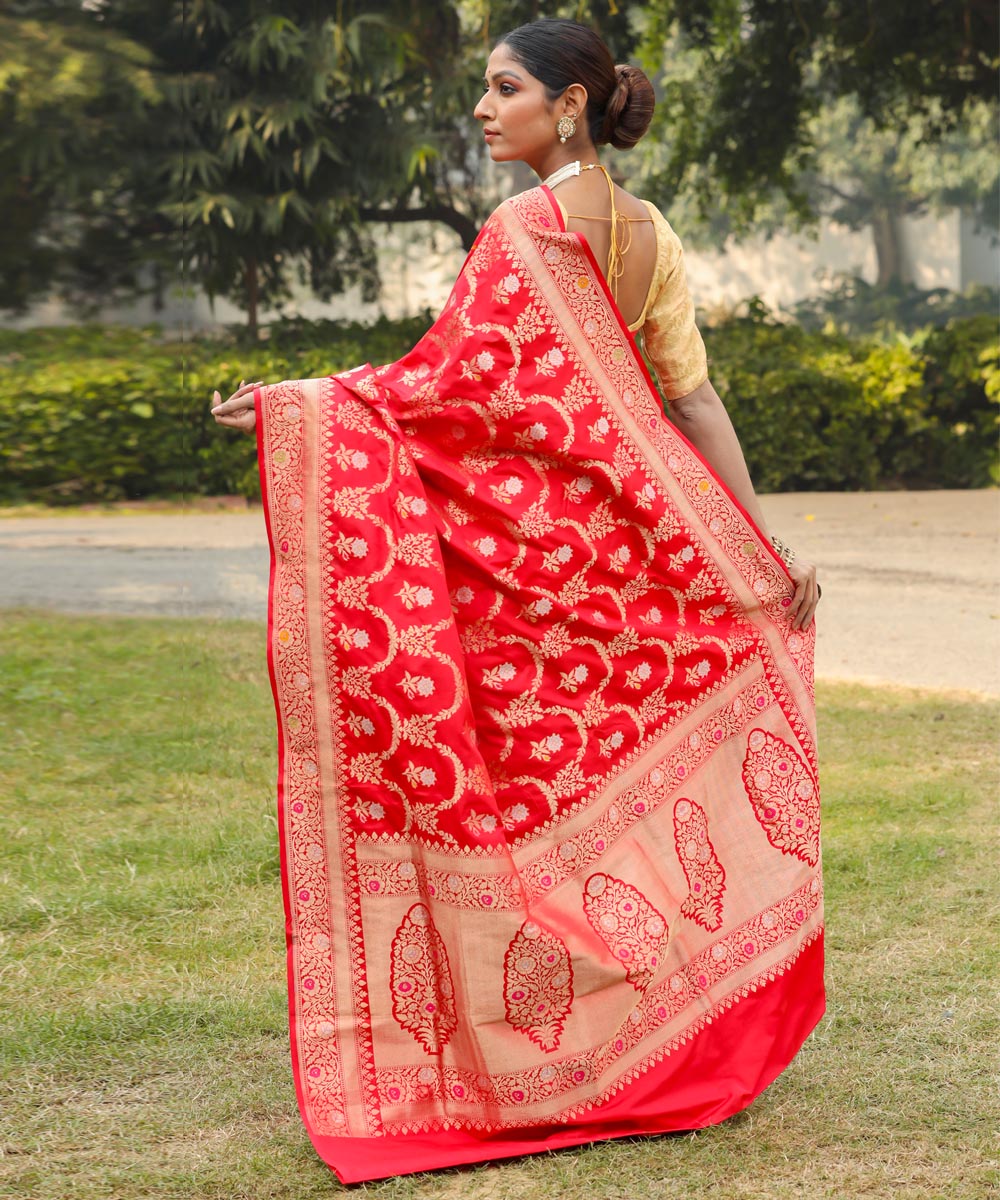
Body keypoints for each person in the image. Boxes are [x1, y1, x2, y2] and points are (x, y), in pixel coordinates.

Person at [211, 18, 824, 1185]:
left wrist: (299, 406)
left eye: (505, 90)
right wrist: (756, 546)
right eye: (484, 91)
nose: (485, 111)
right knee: (629, 800)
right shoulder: (648, 232)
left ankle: (572, 1055)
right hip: (634, 554)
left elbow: (440, 389)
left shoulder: (522, 231)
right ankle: (655, 1038)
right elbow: (692, 407)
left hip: (537, 570)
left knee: (537, 789)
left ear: (573, 104)